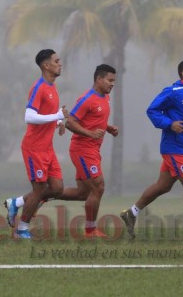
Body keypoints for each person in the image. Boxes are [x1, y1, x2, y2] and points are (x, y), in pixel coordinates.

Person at [121, 60, 183, 239]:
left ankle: (131, 213)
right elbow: (152, 110)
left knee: (163, 186)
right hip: (173, 147)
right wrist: (170, 124)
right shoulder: (172, 92)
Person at [4, 49, 68, 239]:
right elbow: (29, 116)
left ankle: (16, 203)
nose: (60, 63)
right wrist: (57, 116)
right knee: (39, 190)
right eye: (57, 61)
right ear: (46, 65)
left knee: (57, 189)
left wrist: (58, 122)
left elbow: (46, 113)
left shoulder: (52, 87)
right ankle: (21, 229)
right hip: (34, 148)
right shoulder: (39, 87)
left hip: (48, 147)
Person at [54, 64, 118, 238]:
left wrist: (108, 127)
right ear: (99, 79)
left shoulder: (105, 97)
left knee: (83, 193)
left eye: (114, 81)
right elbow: (70, 122)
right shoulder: (87, 99)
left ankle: (46, 194)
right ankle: (90, 231)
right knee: (99, 187)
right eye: (109, 80)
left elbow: (94, 119)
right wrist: (90, 133)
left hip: (92, 150)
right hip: (82, 150)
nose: (112, 84)